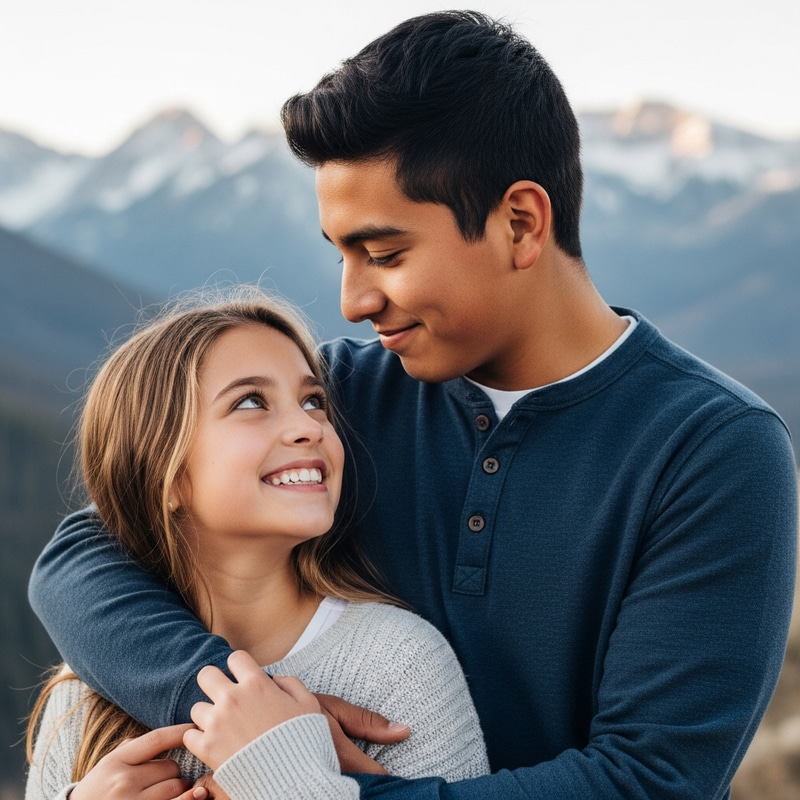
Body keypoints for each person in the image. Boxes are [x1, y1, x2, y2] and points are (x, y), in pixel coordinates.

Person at [29, 10, 797, 799]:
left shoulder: (713, 451)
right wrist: (228, 701)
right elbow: (83, 557)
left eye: (385, 254)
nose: (354, 300)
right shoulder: (339, 401)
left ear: (521, 223)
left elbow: (651, 782)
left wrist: (297, 775)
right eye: (340, 255)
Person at [24, 289, 489, 800]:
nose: (307, 427)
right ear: (167, 476)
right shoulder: (90, 680)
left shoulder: (399, 666)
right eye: (251, 402)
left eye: (313, 401)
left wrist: (280, 774)